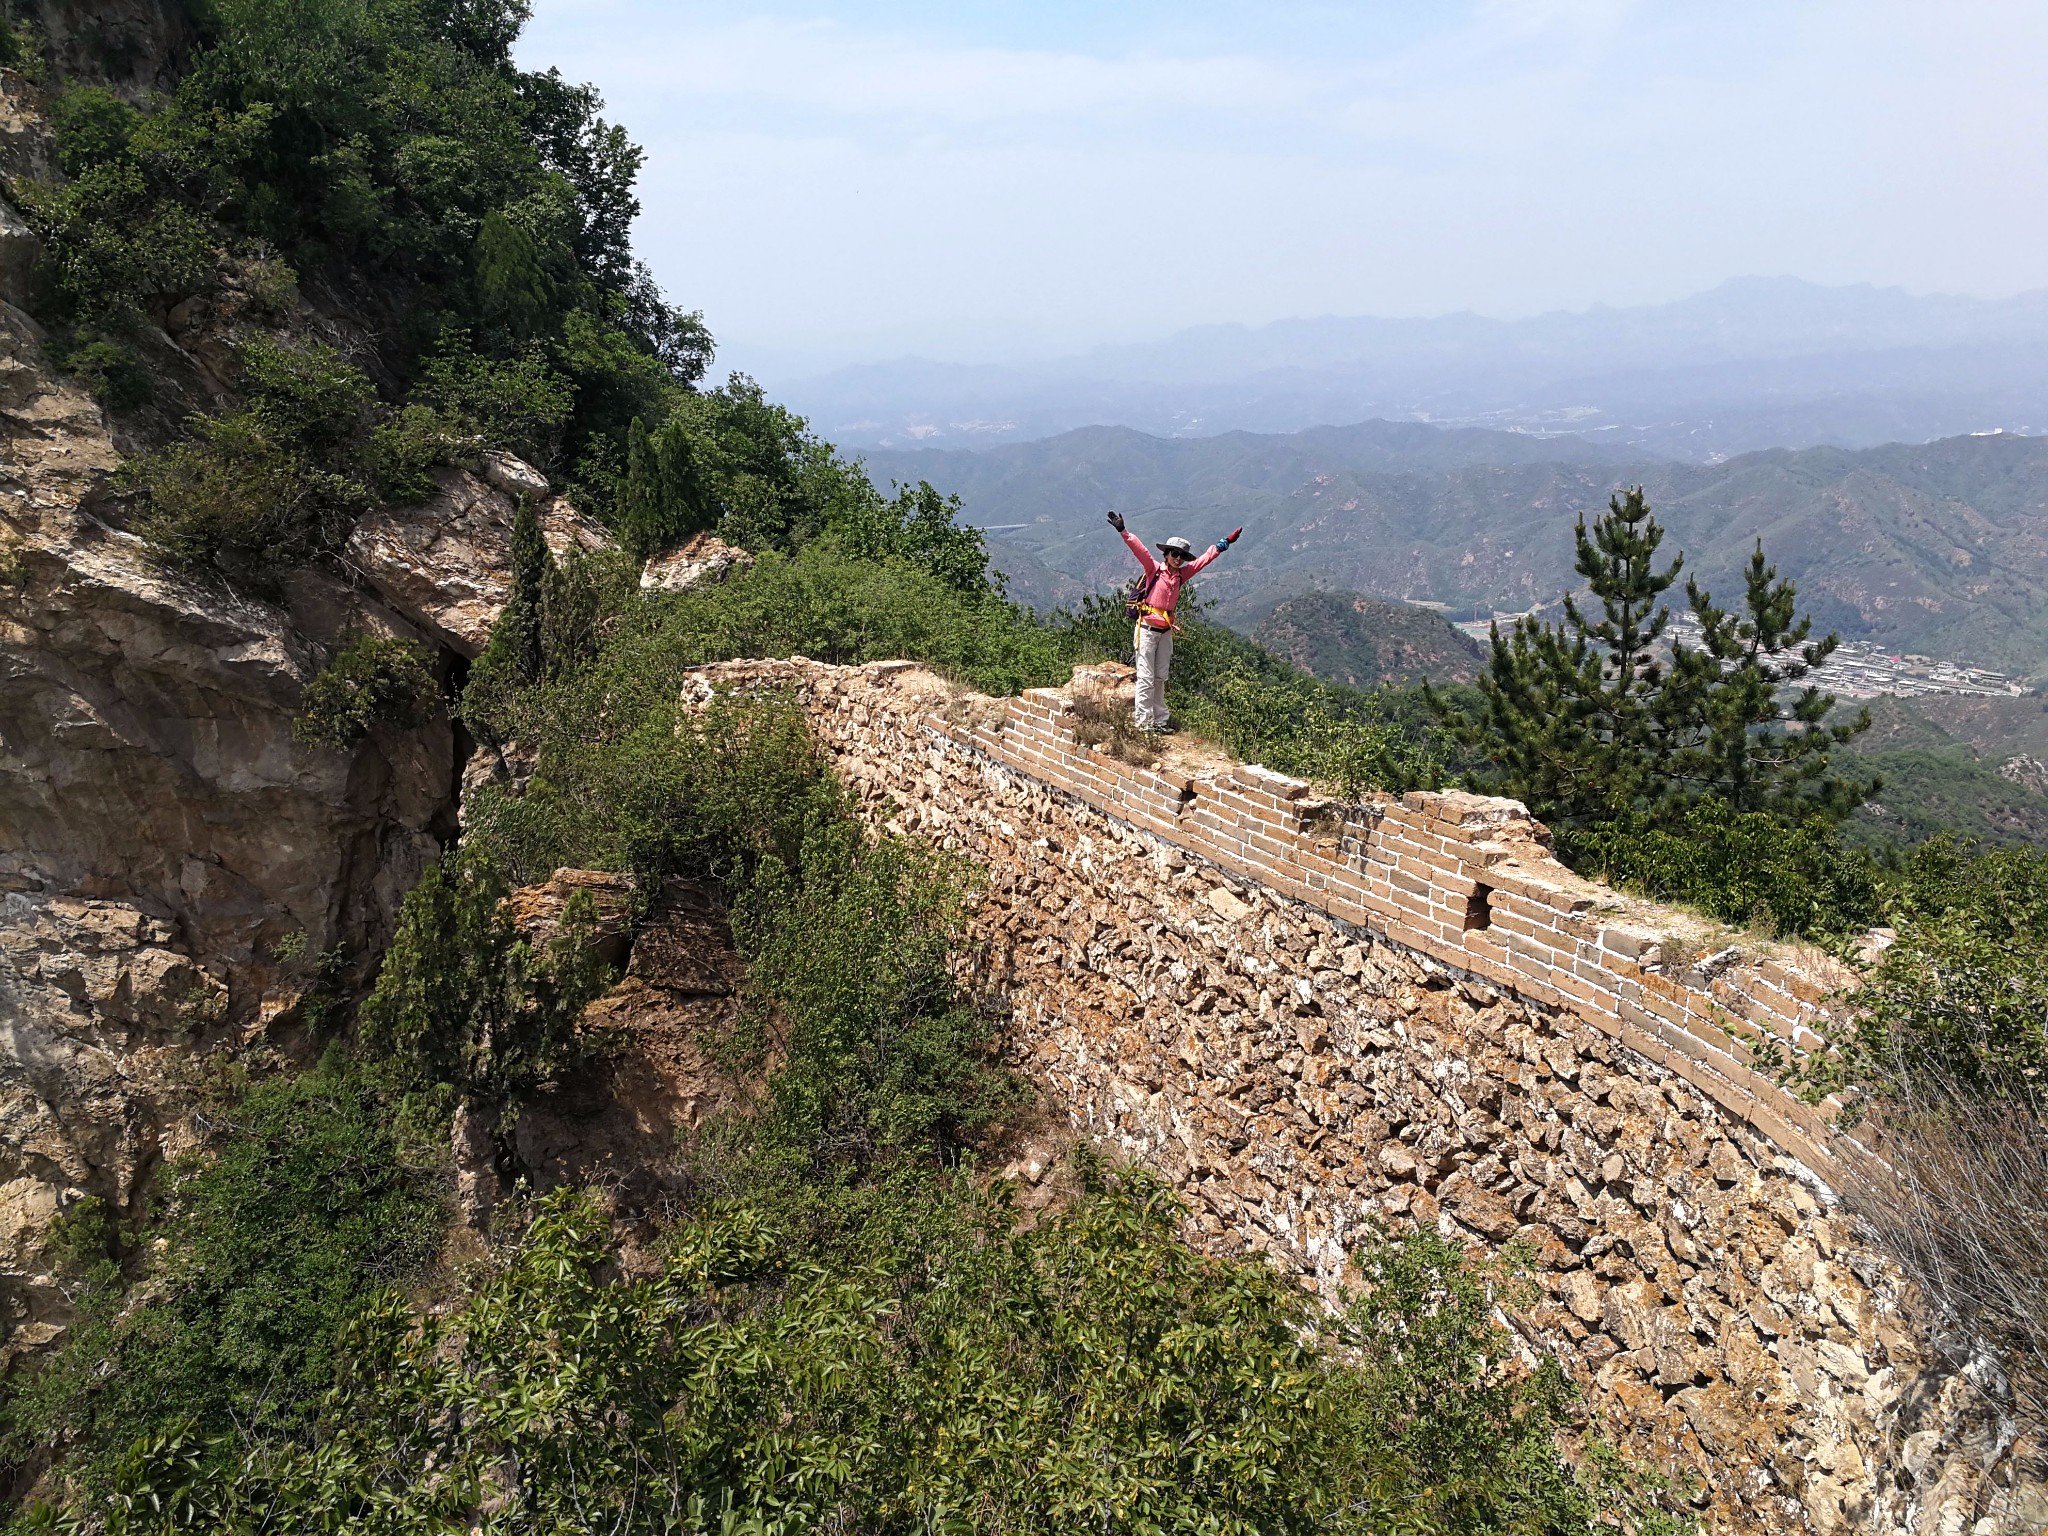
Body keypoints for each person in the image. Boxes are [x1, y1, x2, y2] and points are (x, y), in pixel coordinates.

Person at [1106, 511, 1241, 733]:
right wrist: (1123, 531)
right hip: (1147, 630)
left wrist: (1224, 543)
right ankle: (1143, 724)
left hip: (1165, 631)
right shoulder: (1154, 571)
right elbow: (1141, 552)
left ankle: (1159, 721)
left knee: (1160, 677)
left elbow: (1204, 560)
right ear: (1167, 554)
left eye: (1181, 556)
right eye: (1174, 554)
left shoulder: (1181, 575)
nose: (1178, 559)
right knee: (1146, 677)